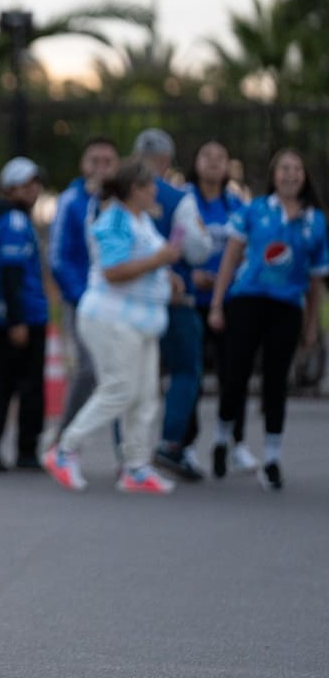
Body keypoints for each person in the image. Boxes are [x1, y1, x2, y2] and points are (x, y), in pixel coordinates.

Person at [43, 156, 183, 495]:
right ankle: (65, 450)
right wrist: (159, 260)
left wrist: (168, 278)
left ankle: (135, 466)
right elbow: (113, 270)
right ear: (135, 189)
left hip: (142, 321)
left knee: (145, 395)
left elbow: (146, 262)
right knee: (119, 389)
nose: (155, 191)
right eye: (150, 186)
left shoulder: (141, 221)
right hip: (111, 318)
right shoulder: (114, 220)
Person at [207, 148, 328, 490]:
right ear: (274, 175)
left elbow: (315, 282)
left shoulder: (315, 221)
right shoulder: (254, 211)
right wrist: (218, 304)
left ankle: (272, 458)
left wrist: (310, 325)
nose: (291, 175)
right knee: (236, 374)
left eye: (297, 169)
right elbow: (230, 260)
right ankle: (222, 438)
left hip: (286, 308)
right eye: (284, 169)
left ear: (305, 176)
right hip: (247, 301)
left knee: (276, 381)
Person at [131, 128, 213, 482]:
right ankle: (169, 444)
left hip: (128, 301)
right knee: (185, 369)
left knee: (131, 376)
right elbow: (198, 250)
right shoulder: (179, 199)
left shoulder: (114, 196)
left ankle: (128, 454)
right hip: (172, 299)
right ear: (166, 162)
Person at [0, 157, 47, 473]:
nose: (34, 190)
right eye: (26, 184)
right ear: (10, 188)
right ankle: (26, 450)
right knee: (29, 385)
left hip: (3, 315)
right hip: (24, 316)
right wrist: (18, 320)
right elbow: (11, 274)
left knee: (3, 384)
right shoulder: (15, 223)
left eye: (35, 183)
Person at [183, 140, 249, 471]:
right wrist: (189, 274)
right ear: (195, 163)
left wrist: (227, 279)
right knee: (192, 374)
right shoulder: (185, 202)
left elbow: (246, 252)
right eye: (206, 155)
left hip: (230, 301)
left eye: (220, 157)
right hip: (193, 301)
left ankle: (235, 441)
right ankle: (188, 444)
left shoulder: (237, 205)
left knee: (233, 375)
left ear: (227, 167)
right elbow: (172, 246)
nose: (213, 162)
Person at [49, 136, 118, 431]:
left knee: (121, 374)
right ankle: (65, 436)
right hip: (83, 301)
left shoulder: (122, 202)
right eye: (95, 160)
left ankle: (129, 454)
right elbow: (57, 256)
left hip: (119, 301)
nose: (101, 167)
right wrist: (81, 295)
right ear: (83, 164)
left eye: (108, 161)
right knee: (88, 369)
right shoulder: (71, 200)